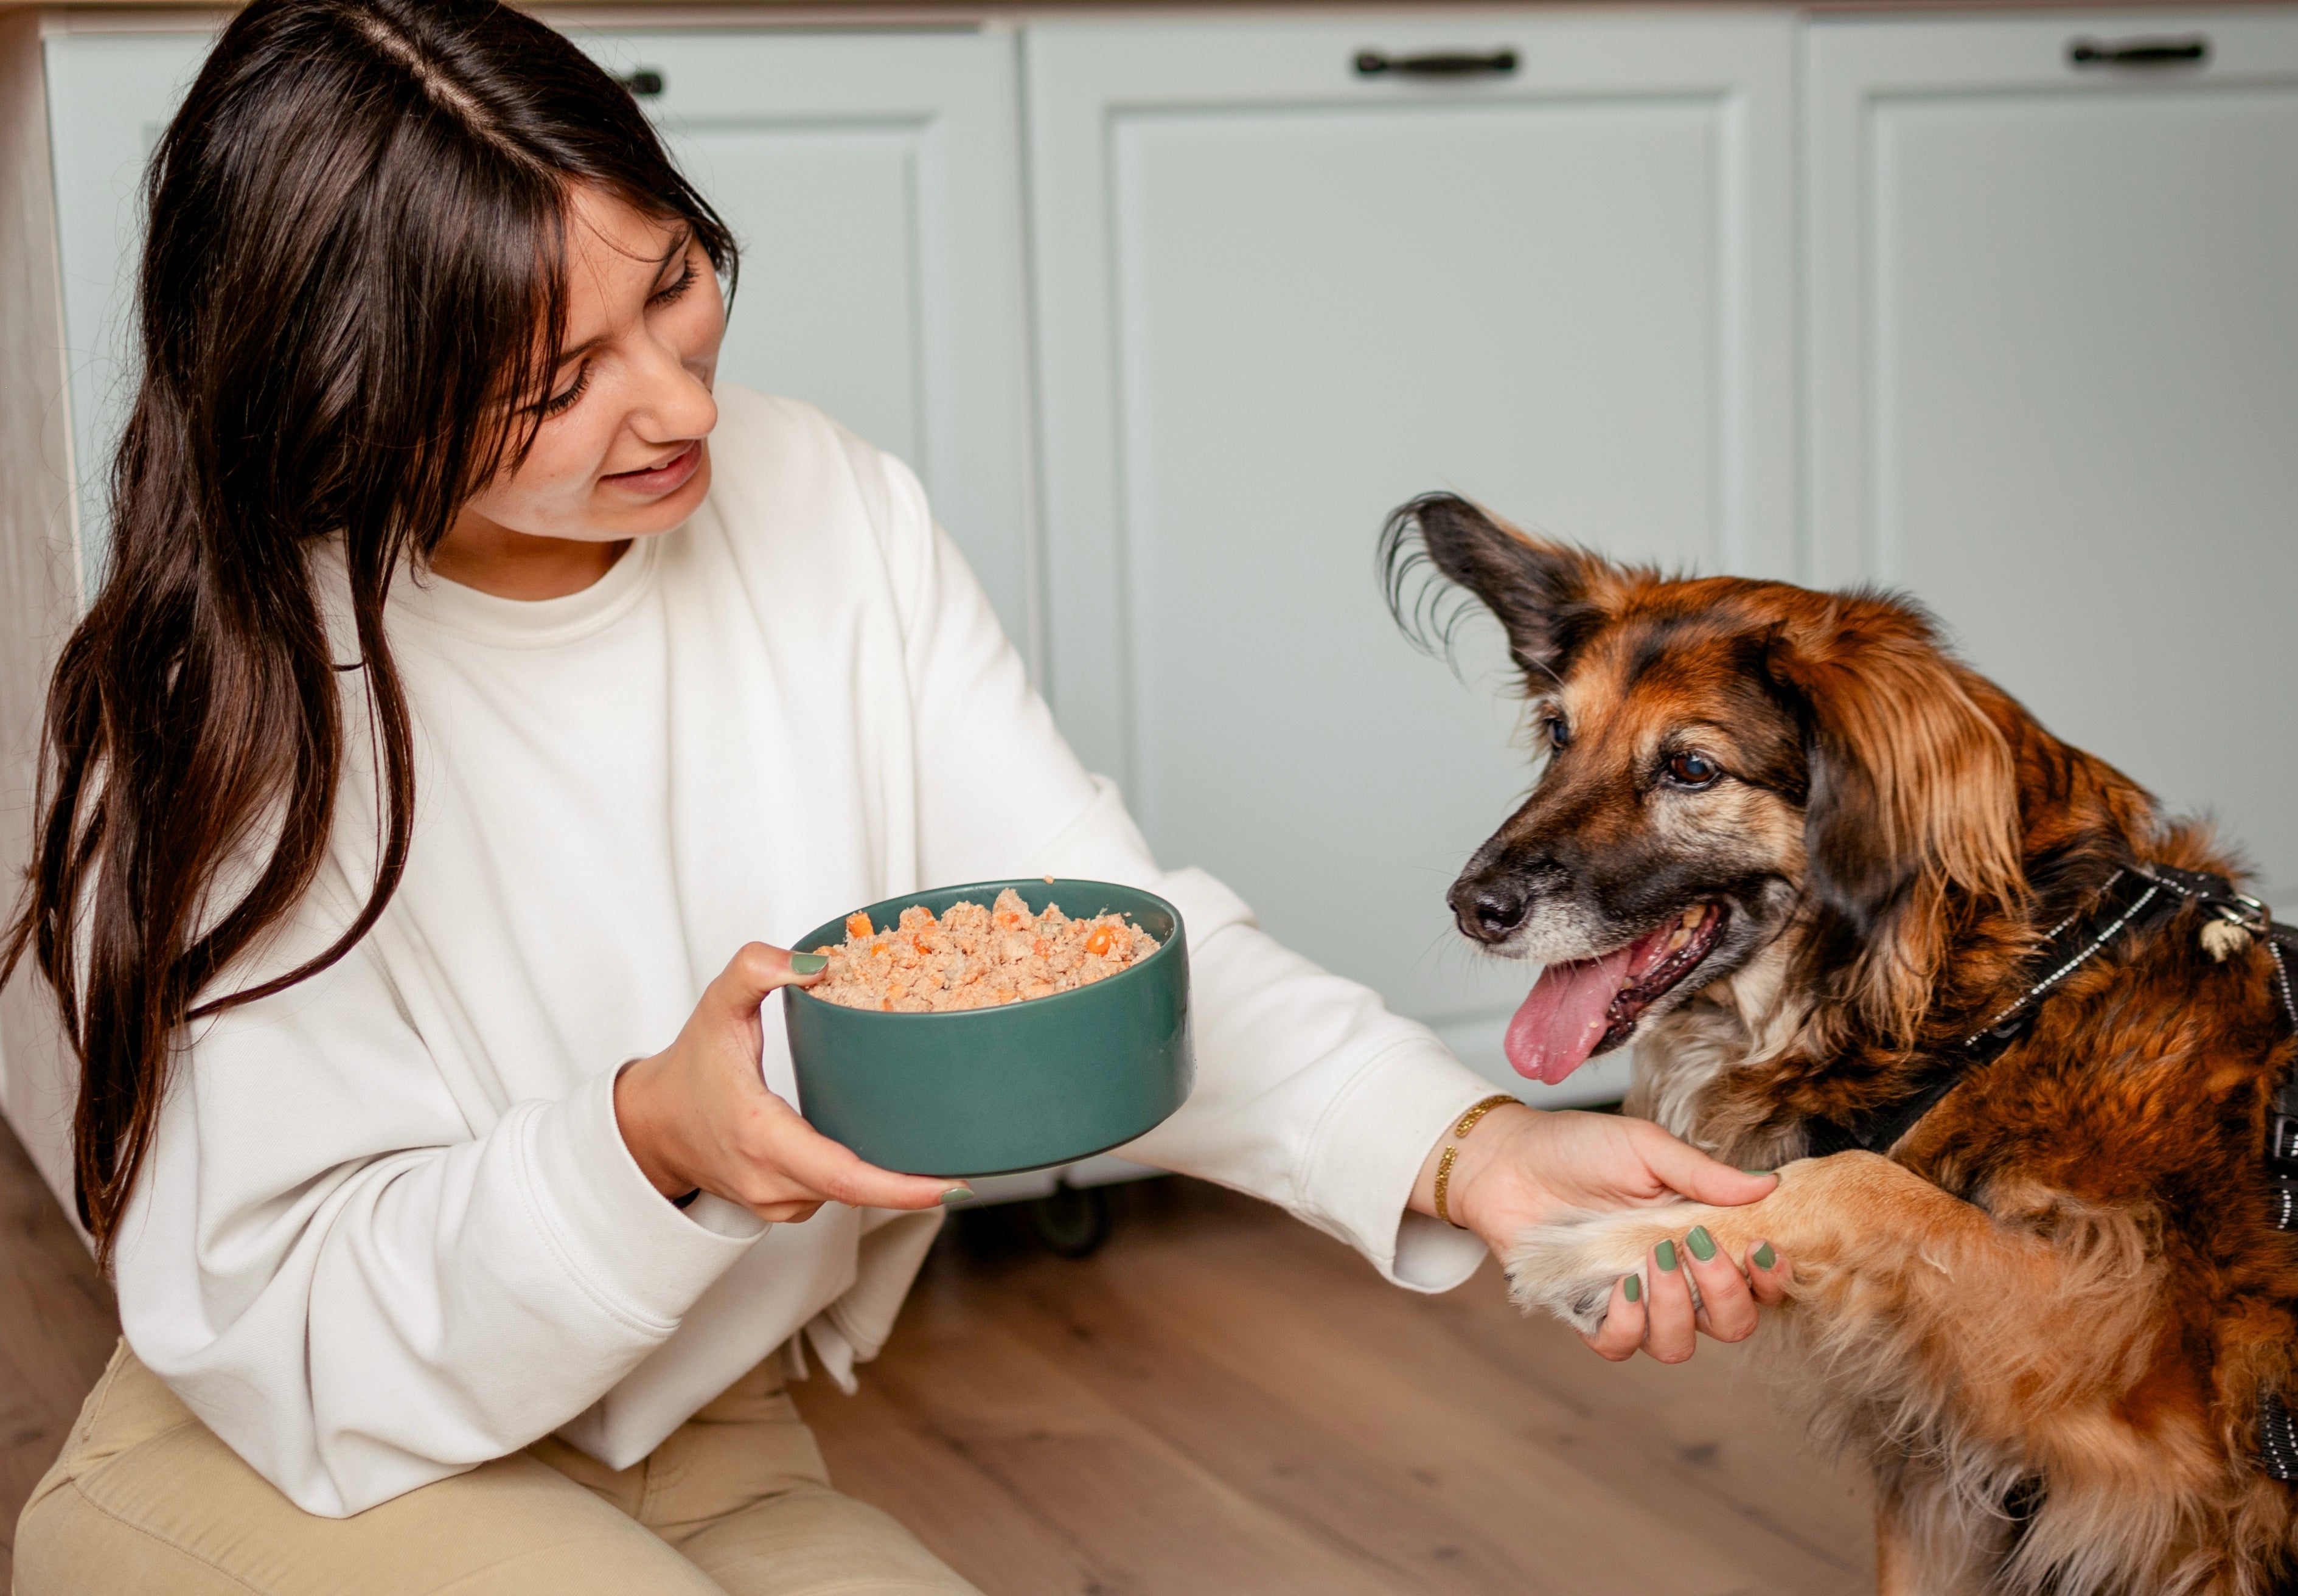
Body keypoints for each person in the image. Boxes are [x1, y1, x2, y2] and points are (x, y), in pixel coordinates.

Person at [2, 3, 1789, 1591]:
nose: (671, 398)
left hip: (709, 1438)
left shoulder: (821, 501)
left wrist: (1469, 1147)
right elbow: (292, 1322)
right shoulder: (232, 687)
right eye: (557, 383)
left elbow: (1098, 943)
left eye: (672, 281)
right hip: (304, 1455)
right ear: (357, 408)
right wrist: (646, 1141)